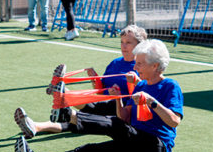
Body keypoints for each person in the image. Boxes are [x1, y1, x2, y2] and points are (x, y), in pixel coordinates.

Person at [15, 39, 183, 152]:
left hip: (155, 147)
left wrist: (152, 102)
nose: (135, 67)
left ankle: (70, 115)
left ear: (155, 66)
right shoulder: (141, 85)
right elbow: (124, 118)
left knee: (114, 124)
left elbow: (174, 121)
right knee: (90, 151)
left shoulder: (170, 86)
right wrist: (118, 99)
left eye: (140, 63)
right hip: (134, 141)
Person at [15, 25, 148, 138]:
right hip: (103, 105)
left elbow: (145, 94)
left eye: (128, 42)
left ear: (139, 46)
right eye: (122, 42)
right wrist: (95, 79)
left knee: (89, 111)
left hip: (122, 111)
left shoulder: (142, 67)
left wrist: (135, 82)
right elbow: (100, 91)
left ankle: (63, 92)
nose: (124, 46)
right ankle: (35, 126)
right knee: (73, 121)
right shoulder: (115, 63)